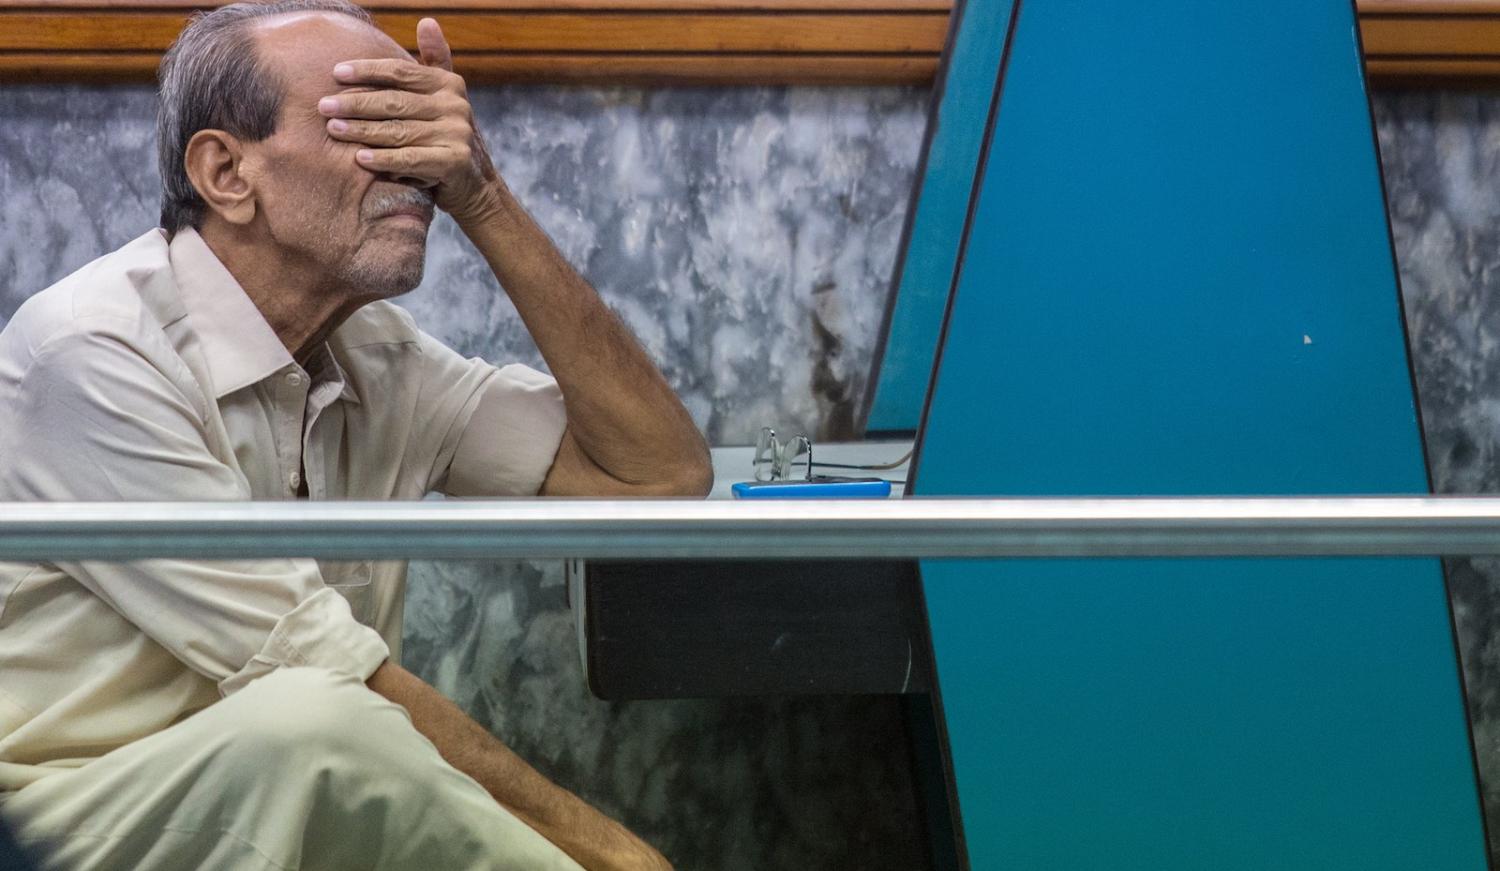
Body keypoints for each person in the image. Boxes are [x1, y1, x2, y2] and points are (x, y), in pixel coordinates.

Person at [0, 1, 711, 868]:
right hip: (60, 822)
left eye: (426, 124)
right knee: (316, 722)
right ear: (226, 172)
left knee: (320, 728)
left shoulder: (378, 356)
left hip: (275, 823)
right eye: (373, 121)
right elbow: (319, 675)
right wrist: (619, 856)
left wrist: (484, 193)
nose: (420, 166)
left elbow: (659, 476)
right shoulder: (89, 349)